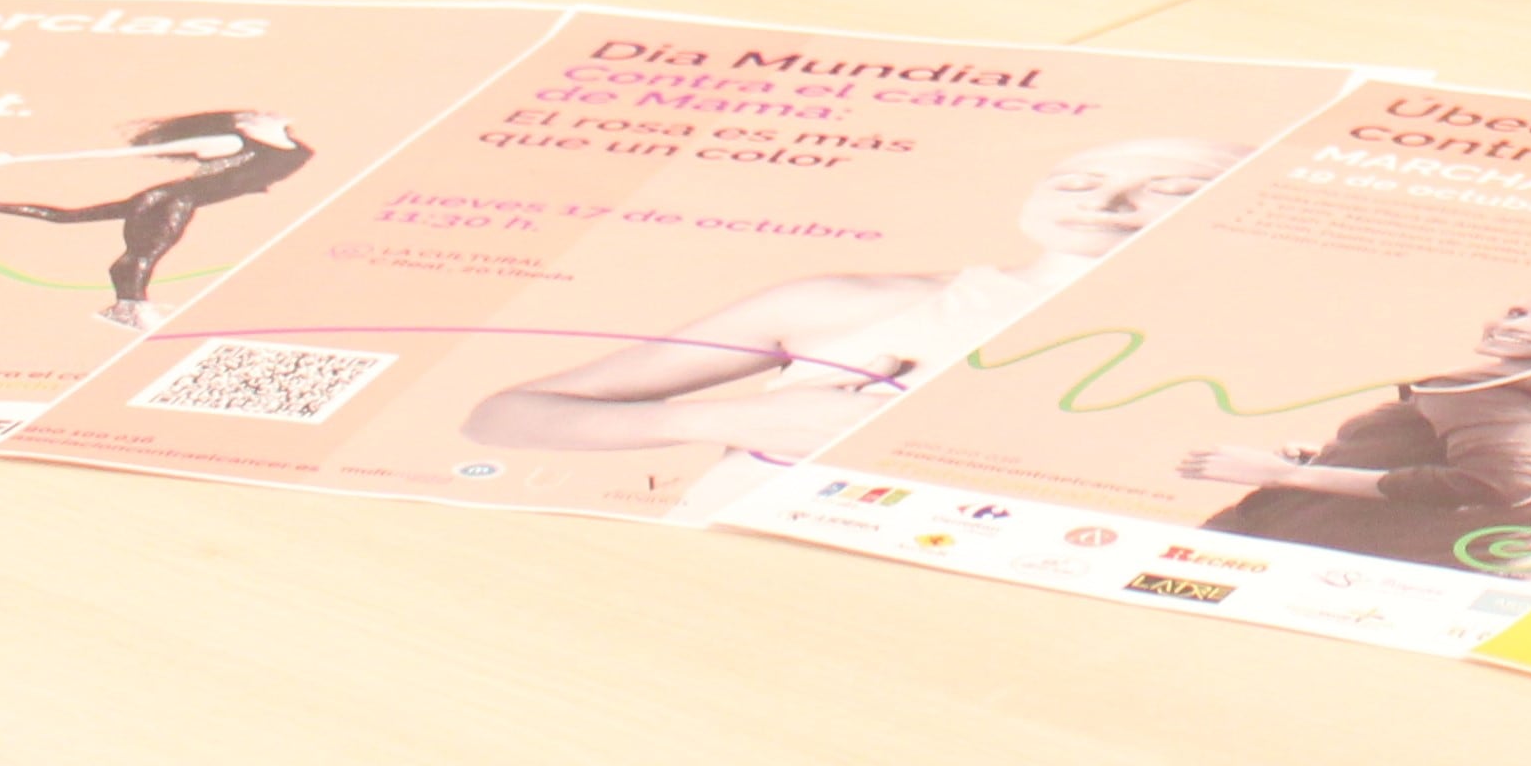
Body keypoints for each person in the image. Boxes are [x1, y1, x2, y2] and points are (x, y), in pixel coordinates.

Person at [460, 134, 1251, 482]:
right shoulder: (850, 301)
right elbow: (505, 414)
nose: (1106, 200)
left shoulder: (1236, 347)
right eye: (1076, 181)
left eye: (1170, 187)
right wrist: (713, 420)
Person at [1174, 283, 1531, 572]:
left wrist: (1288, 478)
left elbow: (1507, 484)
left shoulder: (1483, 388)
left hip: (1305, 552)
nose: (1516, 326)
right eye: (1518, 312)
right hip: (1469, 583)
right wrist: (1345, 461)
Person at [0, 108, 314, 329]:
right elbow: (123, 153)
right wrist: (19, 159)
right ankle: (130, 307)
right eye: (258, 113)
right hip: (172, 199)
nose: (271, 112)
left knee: (69, 219)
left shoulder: (295, 146)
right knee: (144, 251)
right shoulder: (224, 140)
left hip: (175, 199)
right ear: (244, 122)